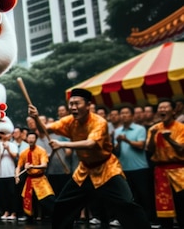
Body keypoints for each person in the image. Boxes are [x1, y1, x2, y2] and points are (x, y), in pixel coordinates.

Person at [28, 88, 151, 229]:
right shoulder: (68, 121)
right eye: (71, 104)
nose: (73, 107)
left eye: (77, 103)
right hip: (85, 170)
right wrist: (36, 118)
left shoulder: (99, 122)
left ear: (88, 105)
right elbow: (45, 129)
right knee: (62, 205)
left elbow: (91, 143)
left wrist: (63, 144)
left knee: (126, 204)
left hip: (107, 169)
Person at [113, 104, 155, 227]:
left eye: (126, 113)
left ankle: (149, 220)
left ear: (132, 115)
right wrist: (119, 142)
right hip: (124, 168)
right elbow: (116, 151)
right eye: (122, 113)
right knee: (128, 197)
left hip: (140, 167)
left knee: (144, 195)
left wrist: (127, 140)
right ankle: (131, 220)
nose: (124, 115)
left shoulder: (140, 129)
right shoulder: (117, 131)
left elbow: (141, 145)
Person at [145, 98, 184, 229]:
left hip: (179, 171)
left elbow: (181, 148)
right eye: (160, 108)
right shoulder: (153, 129)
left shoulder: (181, 128)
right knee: (163, 206)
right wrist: (153, 136)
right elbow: (149, 149)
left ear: (173, 111)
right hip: (161, 171)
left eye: (165, 107)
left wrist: (169, 139)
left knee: (182, 204)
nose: (162, 110)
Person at [15, 132, 55, 221]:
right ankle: (29, 216)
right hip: (30, 179)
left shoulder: (41, 151)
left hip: (40, 178)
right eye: (29, 138)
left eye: (33, 138)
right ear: (27, 139)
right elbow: (19, 166)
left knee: (47, 197)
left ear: (36, 139)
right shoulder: (24, 152)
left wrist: (33, 166)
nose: (31, 140)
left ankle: (52, 215)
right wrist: (17, 175)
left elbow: (44, 165)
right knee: (27, 197)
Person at [0, 132, 18, 220]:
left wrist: (8, 149)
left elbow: (15, 156)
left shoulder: (13, 145)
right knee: (2, 195)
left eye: (8, 134)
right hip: (0, 174)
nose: (6, 135)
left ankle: (13, 212)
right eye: (4, 134)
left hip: (11, 174)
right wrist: (2, 150)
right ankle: (6, 211)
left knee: (12, 194)